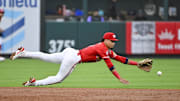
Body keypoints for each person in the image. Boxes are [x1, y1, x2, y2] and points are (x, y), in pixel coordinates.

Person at [10, 32, 141, 86]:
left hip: (71, 52)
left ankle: (23, 52)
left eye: (114, 41)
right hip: (73, 58)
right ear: (105, 40)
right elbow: (110, 65)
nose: (113, 43)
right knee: (58, 78)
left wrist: (137, 64)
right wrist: (119, 78)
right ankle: (34, 83)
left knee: (46, 56)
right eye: (111, 41)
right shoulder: (102, 48)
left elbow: (121, 59)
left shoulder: (106, 50)